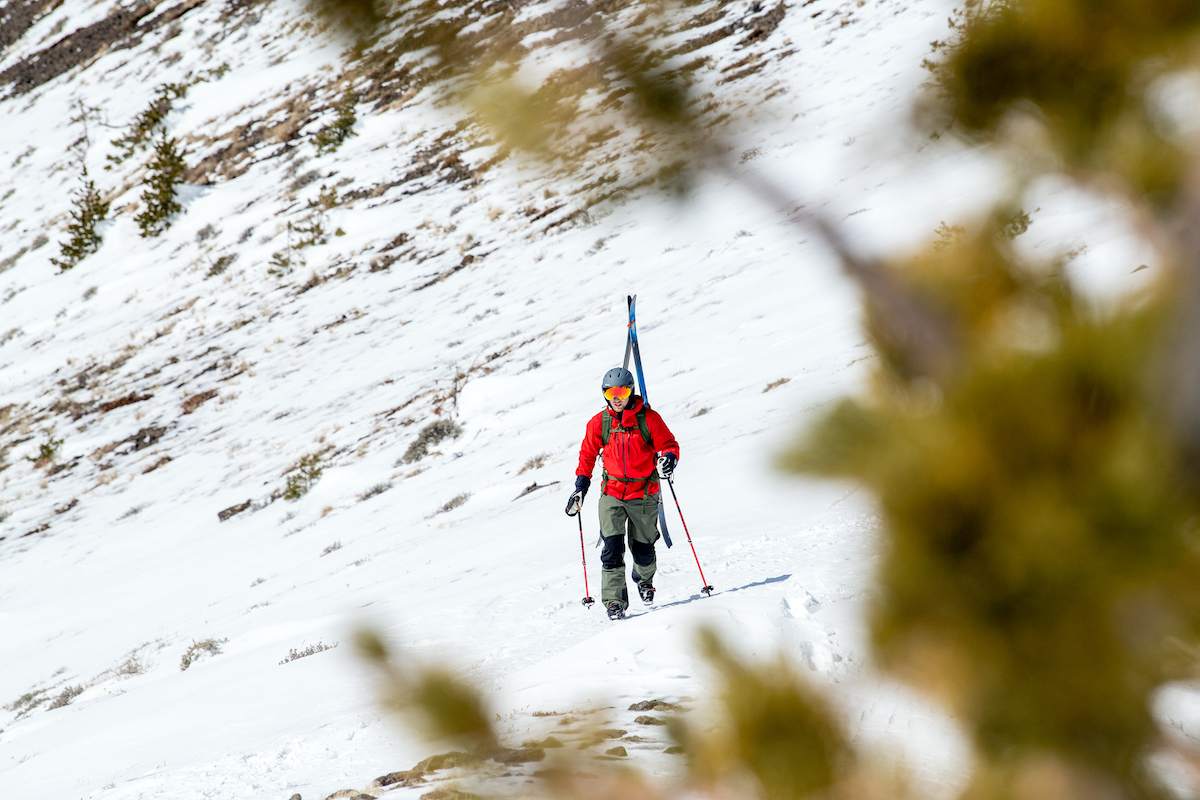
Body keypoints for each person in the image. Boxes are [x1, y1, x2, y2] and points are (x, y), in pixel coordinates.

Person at [566, 367, 680, 620]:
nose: (617, 397)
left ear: (631, 391)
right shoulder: (599, 423)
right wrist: (580, 488)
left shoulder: (649, 419)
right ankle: (614, 602)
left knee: (643, 549)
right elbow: (587, 455)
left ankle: (644, 580)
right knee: (612, 550)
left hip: (644, 493)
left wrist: (669, 459)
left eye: (623, 391)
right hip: (612, 493)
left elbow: (669, 445)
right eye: (610, 392)